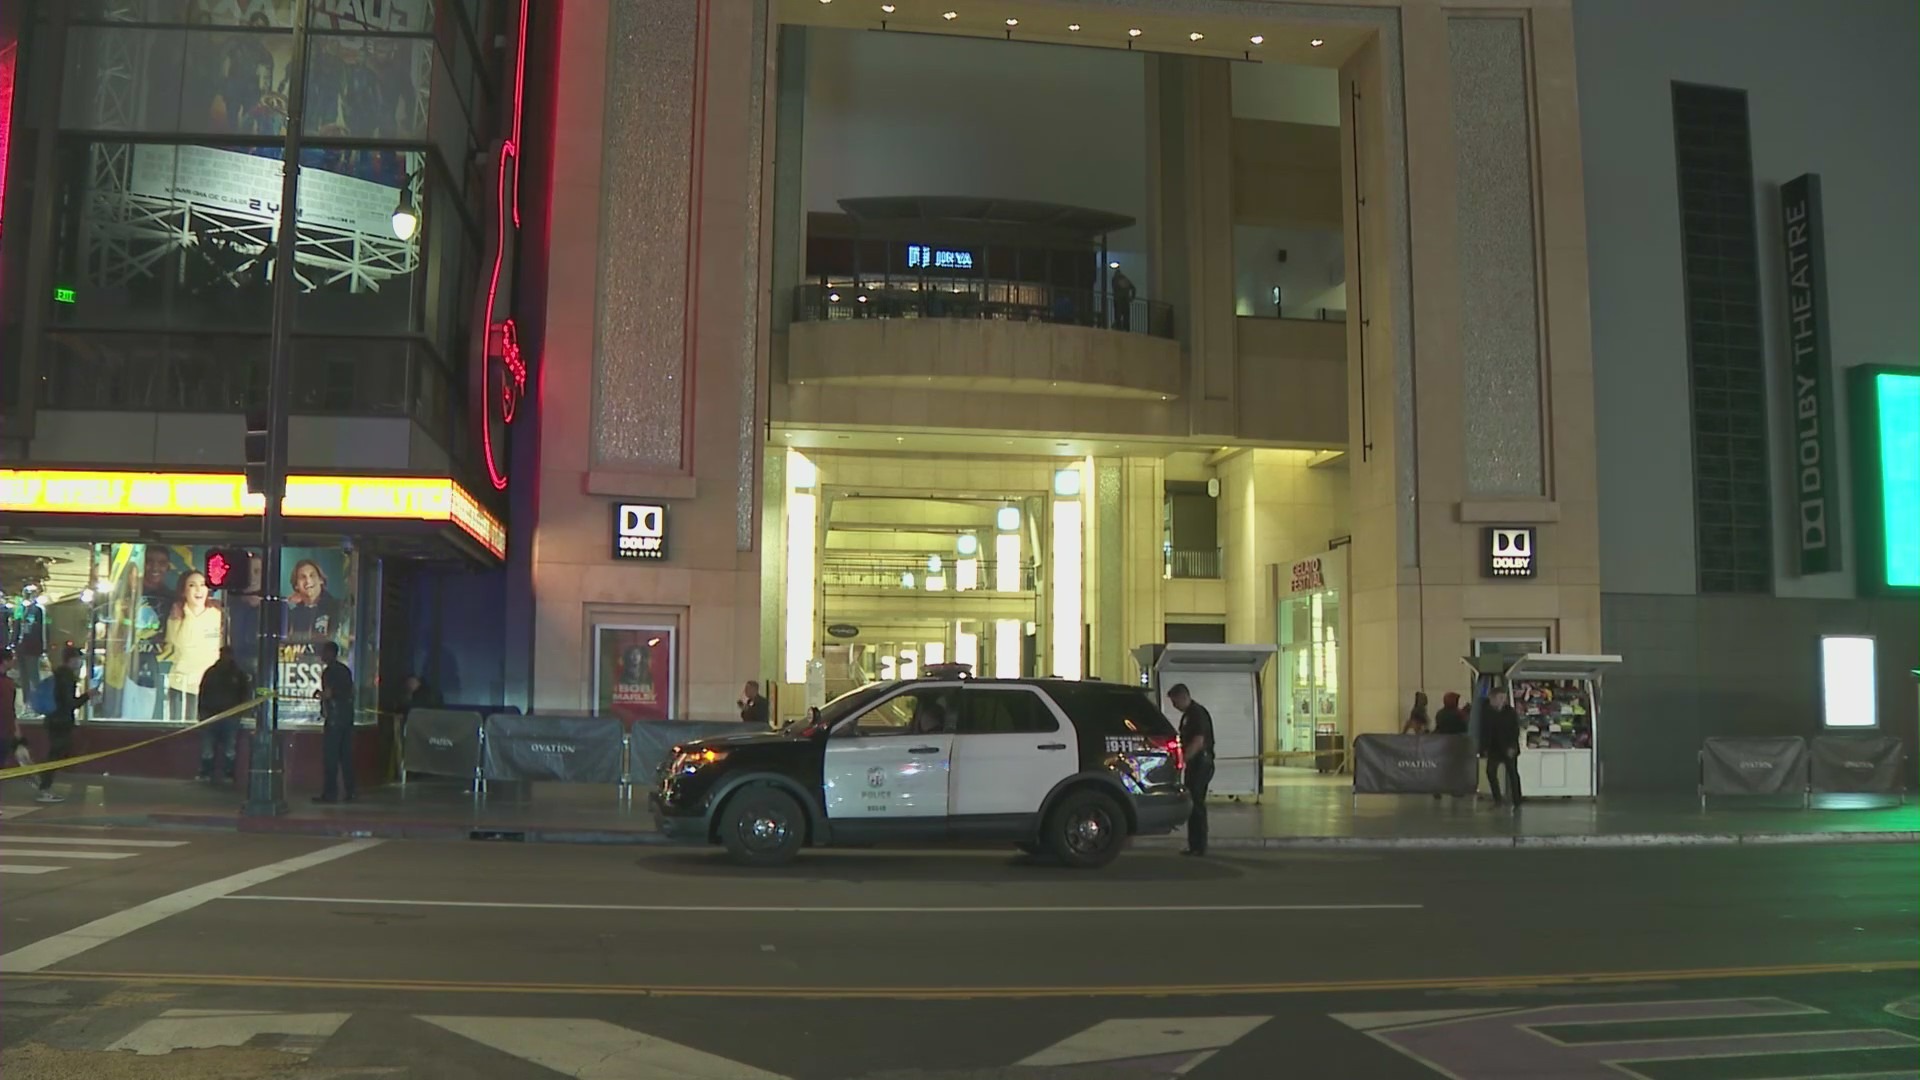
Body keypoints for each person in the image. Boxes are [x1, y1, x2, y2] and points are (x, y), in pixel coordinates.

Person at [164, 570, 225, 722]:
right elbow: (182, 644)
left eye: (203, 585)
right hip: (182, 686)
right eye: (192, 585)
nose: (198, 590)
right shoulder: (177, 616)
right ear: (184, 591)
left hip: (210, 685)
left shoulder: (217, 614)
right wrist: (187, 614)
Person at [38, 646, 91, 803]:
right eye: (79, 659)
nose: (80, 663)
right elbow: (70, 704)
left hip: (54, 720)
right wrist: (87, 695)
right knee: (55, 755)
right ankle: (44, 787)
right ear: (72, 660)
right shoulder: (67, 678)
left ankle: (44, 784)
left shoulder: (59, 674)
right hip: (60, 722)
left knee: (56, 754)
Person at [1167, 683, 1215, 857]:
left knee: (1197, 805)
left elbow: (1198, 741)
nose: (1174, 706)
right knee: (1193, 804)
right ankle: (1194, 844)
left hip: (1200, 764)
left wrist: (1183, 760)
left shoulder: (1197, 714)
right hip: (1195, 764)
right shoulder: (1189, 715)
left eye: (1174, 702)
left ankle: (1199, 846)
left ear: (1183, 697)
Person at [195, 645, 252, 785]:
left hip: (229, 716)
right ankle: (207, 773)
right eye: (223, 654)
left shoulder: (238, 675)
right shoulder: (212, 673)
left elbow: (245, 695)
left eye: (227, 654)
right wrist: (201, 713)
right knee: (208, 748)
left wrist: (240, 712)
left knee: (229, 748)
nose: (225, 657)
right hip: (211, 715)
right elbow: (203, 693)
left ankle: (227, 774)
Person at [313, 641, 357, 803]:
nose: (322, 655)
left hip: (335, 719)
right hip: (347, 718)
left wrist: (320, 695)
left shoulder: (330, 672)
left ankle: (330, 793)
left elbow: (330, 694)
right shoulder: (345, 670)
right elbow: (350, 691)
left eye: (324, 652)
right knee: (346, 756)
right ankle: (350, 790)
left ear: (331, 653)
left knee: (331, 757)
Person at [1481, 687, 1523, 808]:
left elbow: (1515, 730)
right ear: (1492, 698)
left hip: (1509, 747)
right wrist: (1484, 747)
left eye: (1504, 698)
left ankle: (1517, 800)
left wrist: (1512, 747)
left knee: (1512, 773)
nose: (1502, 700)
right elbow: (1485, 731)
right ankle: (1497, 799)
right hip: (1494, 748)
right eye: (1500, 697)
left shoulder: (1510, 712)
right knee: (1490, 772)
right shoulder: (1487, 712)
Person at [287, 559, 342, 645]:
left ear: (321, 580)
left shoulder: (337, 608)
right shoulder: (292, 614)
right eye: (303, 577)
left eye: (312, 576)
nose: (308, 581)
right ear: (296, 585)